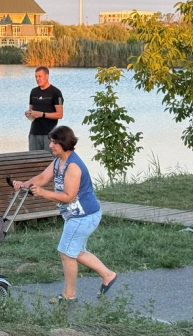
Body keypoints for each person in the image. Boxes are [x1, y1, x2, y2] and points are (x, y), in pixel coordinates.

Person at [13, 126, 117, 303]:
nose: (51, 145)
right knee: (76, 252)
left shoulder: (73, 167)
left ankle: (69, 295)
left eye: (54, 142)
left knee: (66, 253)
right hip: (77, 216)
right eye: (51, 141)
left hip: (83, 216)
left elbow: (69, 196)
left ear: (64, 144)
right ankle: (108, 275)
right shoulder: (58, 161)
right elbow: (42, 178)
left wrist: (43, 193)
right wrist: (24, 184)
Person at [25, 66, 63, 151]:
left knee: (49, 160)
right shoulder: (33, 92)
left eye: (40, 76)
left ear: (47, 76)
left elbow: (60, 115)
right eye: (36, 77)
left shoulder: (56, 92)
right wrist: (29, 114)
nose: (37, 79)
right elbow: (31, 112)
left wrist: (42, 114)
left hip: (49, 134)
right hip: (34, 133)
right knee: (33, 161)